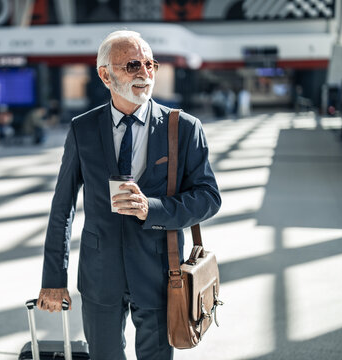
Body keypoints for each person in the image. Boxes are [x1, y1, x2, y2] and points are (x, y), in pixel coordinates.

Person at [37, 30, 221, 360]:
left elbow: (209, 197)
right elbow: (62, 206)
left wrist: (152, 208)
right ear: (105, 75)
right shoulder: (83, 129)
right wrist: (54, 278)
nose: (144, 73)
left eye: (149, 64)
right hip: (99, 274)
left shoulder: (184, 128)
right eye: (132, 65)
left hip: (160, 274)